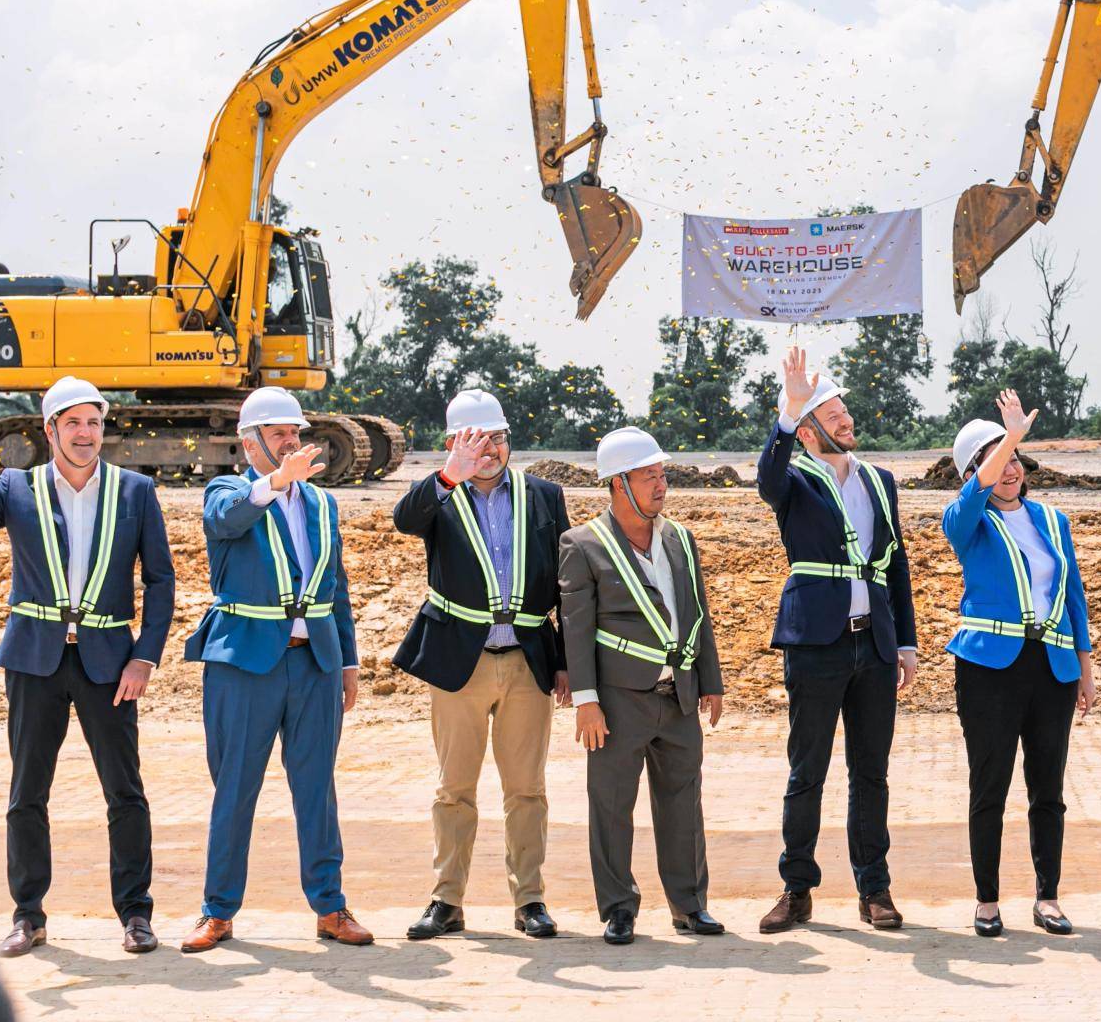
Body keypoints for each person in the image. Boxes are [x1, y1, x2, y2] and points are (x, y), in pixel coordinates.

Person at [0, 377, 174, 956]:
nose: (86, 434)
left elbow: (161, 581)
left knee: (125, 792)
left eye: (94, 422)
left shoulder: (134, 491)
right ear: (49, 428)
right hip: (34, 661)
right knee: (27, 792)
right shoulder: (15, 486)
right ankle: (28, 915)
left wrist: (145, 657)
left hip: (111, 664)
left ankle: (135, 913)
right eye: (73, 423)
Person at [179, 388, 371, 952]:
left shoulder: (321, 504)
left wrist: (348, 661)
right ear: (250, 441)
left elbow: (333, 587)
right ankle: (218, 911)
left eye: (295, 431)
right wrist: (275, 483)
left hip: (313, 664)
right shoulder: (229, 490)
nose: (293, 440)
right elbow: (226, 519)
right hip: (244, 666)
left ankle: (330, 907)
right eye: (279, 432)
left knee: (317, 789)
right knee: (235, 789)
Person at [392, 389, 571, 941]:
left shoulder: (543, 495)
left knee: (527, 788)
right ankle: (447, 900)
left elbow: (563, 584)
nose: (488, 449)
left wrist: (563, 663)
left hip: (526, 659)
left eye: (495, 438)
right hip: (459, 664)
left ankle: (530, 899)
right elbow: (404, 520)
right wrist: (448, 475)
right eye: (475, 440)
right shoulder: (439, 497)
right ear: (453, 445)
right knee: (455, 788)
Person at [755, 345, 917, 934]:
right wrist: (785, 415)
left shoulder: (881, 481)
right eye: (835, 414)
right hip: (816, 644)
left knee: (871, 773)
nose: (848, 420)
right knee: (808, 771)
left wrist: (907, 642)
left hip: (873, 645)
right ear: (808, 430)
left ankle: (874, 889)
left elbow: (895, 565)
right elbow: (765, 479)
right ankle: (797, 889)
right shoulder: (793, 478)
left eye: (846, 411)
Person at [560, 426, 725, 945]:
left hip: (677, 694)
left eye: (661, 474)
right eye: (648, 475)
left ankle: (689, 905)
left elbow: (698, 612)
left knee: (683, 804)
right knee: (610, 807)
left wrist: (711, 681)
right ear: (617, 484)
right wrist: (586, 702)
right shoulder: (582, 544)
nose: (661, 484)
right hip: (616, 701)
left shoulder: (680, 537)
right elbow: (577, 628)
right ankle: (618, 908)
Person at [943, 391, 1096, 937]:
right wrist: (1009, 434)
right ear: (972, 473)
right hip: (988, 669)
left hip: (1050, 668)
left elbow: (1073, 594)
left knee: (1047, 788)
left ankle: (1047, 896)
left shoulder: (1053, 521)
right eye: (994, 458)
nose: (1008, 467)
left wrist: (1084, 665)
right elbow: (969, 502)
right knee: (990, 786)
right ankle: (987, 900)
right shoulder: (966, 522)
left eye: (1013, 457)